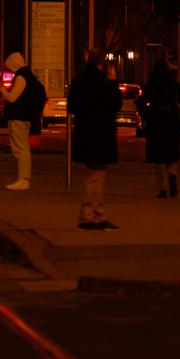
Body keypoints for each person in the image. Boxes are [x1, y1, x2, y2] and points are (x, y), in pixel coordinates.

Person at [68, 52, 121, 229]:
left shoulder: (79, 80)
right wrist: (113, 80)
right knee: (95, 176)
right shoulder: (104, 82)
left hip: (85, 133)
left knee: (95, 176)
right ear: (102, 64)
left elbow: (72, 106)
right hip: (101, 134)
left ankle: (98, 214)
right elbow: (115, 104)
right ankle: (88, 216)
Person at [140, 57, 180, 198]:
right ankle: (172, 175)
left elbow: (142, 103)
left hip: (156, 123)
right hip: (172, 123)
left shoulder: (151, 84)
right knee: (171, 155)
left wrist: (147, 115)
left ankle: (163, 188)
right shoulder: (173, 84)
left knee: (159, 157)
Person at [0, 52, 37, 191]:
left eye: (9, 66)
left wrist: (2, 89)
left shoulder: (21, 77)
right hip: (25, 117)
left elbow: (12, 98)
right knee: (24, 148)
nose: (8, 69)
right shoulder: (28, 75)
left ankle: (23, 180)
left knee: (20, 150)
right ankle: (23, 179)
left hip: (19, 117)